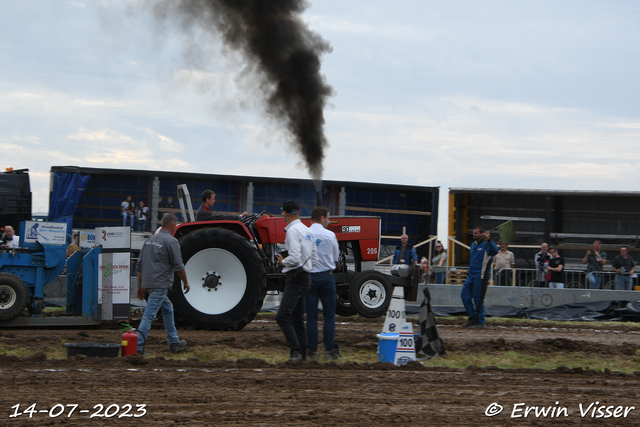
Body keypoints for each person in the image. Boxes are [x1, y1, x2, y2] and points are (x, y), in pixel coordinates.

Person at [136, 213, 190, 355]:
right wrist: (186, 282)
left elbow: (139, 266)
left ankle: (174, 342)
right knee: (149, 315)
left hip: (148, 284)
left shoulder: (149, 241)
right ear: (173, 226)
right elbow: (179, 266)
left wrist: (140, 286)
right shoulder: (171, 241)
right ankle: (138, 348)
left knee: (168, 308)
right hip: (160, 284)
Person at [275, 200, 317, 361]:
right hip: (306, 277)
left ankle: (296, 351)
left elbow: (294, 257)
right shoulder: (308, 231)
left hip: (295, 277)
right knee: (297, 320)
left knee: (282, 316)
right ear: (298, 212)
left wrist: (282, 262)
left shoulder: (292, 231)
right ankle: (302, 355)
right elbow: (314, 258)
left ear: (284, 213)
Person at [305, 206, 340, 361]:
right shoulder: (330, 235)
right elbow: (336, 258)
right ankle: (330, 351)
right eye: (328, 217)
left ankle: (312, 351)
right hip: (327, 278)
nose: (329, 220)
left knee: (311, 316)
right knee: (329, 315)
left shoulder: (305, 234)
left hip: (309, 278)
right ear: (322, 218)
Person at [460, 226, 498, 329]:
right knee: (464, 296)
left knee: (478, 299)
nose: (474, 235)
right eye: (473, 233)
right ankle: (472, 317)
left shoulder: (487, 245)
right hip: (471, 275)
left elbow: (495, 251)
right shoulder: (473, 245)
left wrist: (489, 239)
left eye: (476, 233)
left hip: (481, 277)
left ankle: (481, 321)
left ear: (481, 234)